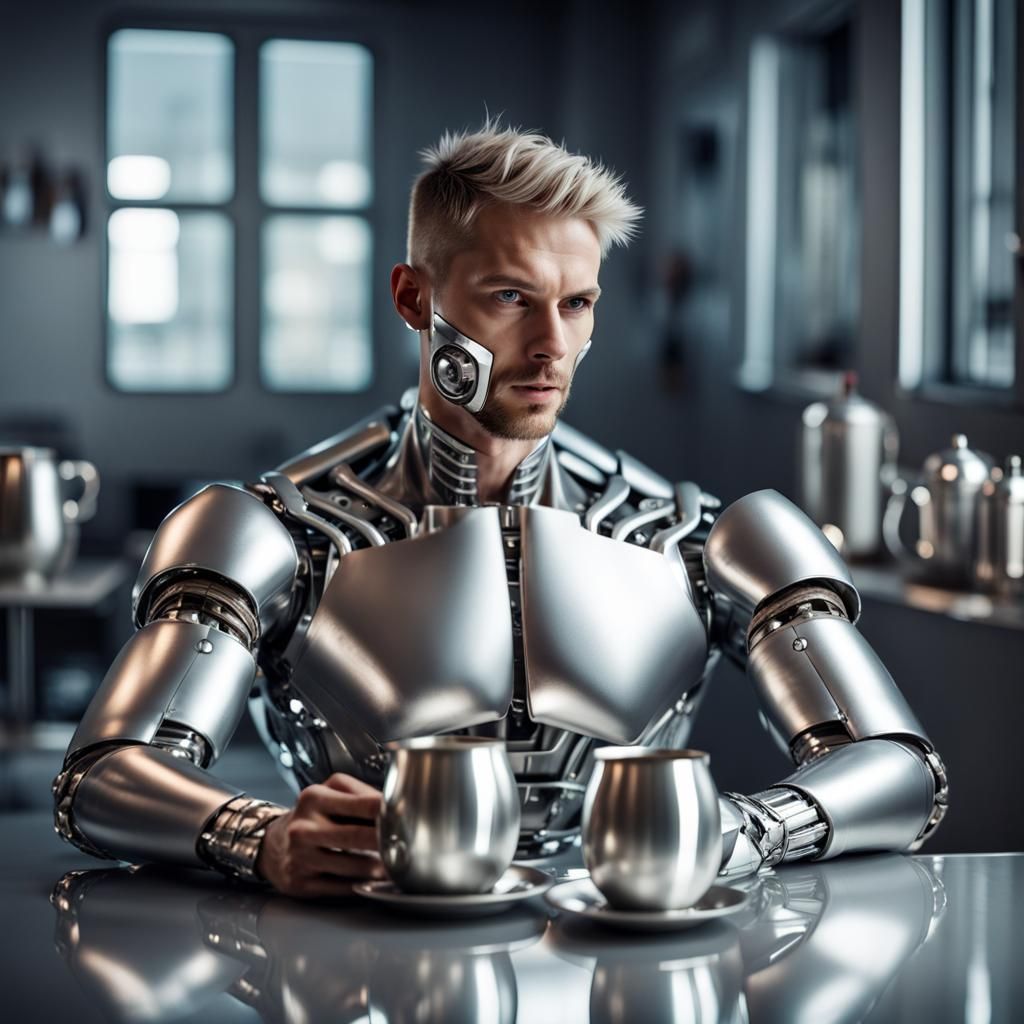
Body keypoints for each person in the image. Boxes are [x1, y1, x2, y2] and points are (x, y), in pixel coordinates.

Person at [54, 123, 948, 898]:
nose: (551, 347)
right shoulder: (275, 530)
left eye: (578, 303)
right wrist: (260, 837)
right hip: (362, 968)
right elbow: (100, 776)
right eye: (511, 298)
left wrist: (750, 833)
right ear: (416, 299)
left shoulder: (693, 535)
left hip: (628, 975)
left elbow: (906, 771)